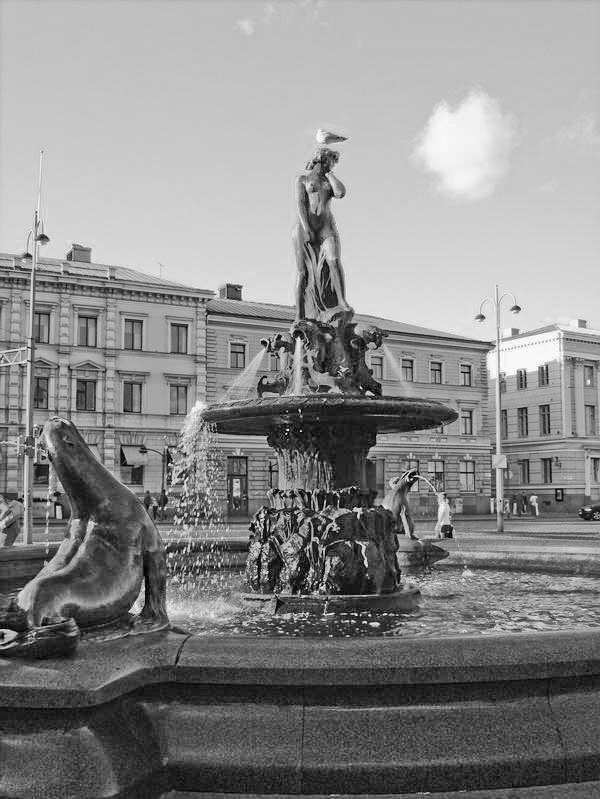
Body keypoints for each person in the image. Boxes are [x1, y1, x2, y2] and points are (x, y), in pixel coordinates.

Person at [293, 146, 353, 324]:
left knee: (334, 260)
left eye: (333, 163)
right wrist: (306, 228)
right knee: (303, 272)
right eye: (330, 161)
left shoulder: (328, 179)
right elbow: (300, 204)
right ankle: (299, 314)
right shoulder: (302, 179)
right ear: (320, 159)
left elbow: (341, 192)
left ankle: (342, 301)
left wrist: (330, 175)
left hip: (327, 228)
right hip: (305, 227)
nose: (331, 165)